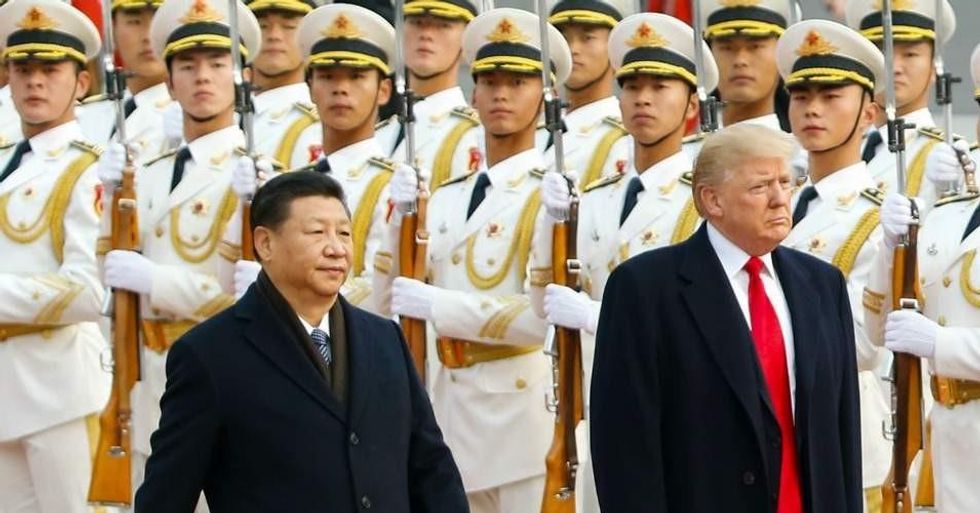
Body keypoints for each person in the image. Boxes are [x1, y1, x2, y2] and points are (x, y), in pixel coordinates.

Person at [135, 171, 469, 513]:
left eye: (343, 233)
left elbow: (432, 469)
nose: (336, 249)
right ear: (265, 243)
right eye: (316, 233)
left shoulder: (384, 340)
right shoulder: (210, 354)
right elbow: (166, 495)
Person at [590, 123, 863, 513]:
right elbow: (625, 447)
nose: (779, 199)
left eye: (785, 183)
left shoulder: (821, 285)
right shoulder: (645, 289)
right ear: (712, 200)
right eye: (759, 187)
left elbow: (842, 435)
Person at [374, 8, 570, 513]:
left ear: (544, 96)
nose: (502, 94)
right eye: (490, 82)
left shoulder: (550, 197)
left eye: (518, 83)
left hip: (515, 424)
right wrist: (396, 222)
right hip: (443, 409)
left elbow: (539, 320)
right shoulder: (446, 195)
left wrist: (440, 306)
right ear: (474, 94)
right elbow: (387, 298)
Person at [530, 12, 717, 513]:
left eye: (661, 87)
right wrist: (550, 224)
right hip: (592, 404)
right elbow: (541, 301)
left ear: (692, 104)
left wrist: (597, 316)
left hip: (674, 410)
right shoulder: (594, 197)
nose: (644, 100)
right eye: (632, 87)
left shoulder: (703, 201)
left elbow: (706, 317)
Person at [95, 0, 260, 501]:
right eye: (187, 67)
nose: (202, 78)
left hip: (223, 376)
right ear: (169, 84)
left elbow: (246, 297)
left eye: (216, 65)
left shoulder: (255, 171)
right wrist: (109, 206)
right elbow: (111, 269)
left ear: (241, 76)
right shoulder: (147, 170)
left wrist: (155, 282)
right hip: (150, 380)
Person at [776, 19, 892, 511]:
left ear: (868, 113)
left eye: (830, 95)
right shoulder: (776, 198)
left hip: (838, 427)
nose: (812, 109)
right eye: (801, 96)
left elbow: (865, 344)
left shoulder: (880, 215)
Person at [0, 1, 109, 511]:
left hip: (57, 386)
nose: (34, 83)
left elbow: (91, 291)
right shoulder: (6, 162)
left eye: (50, 70)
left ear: (81, 84)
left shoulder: (89, 169)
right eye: (23, 70)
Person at [222, 3, 398, 311]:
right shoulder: (288, 182)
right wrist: (242, 207)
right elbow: (228, 280)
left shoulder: (393, 186)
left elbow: (379, 294)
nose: (341, 89)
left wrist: (278, 287)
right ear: (310, 87)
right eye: (328, 77)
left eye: (356, 76)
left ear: (383, 91)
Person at [845, 0, 959, 213]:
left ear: (935, 67)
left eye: (910, 54)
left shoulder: (948, 157)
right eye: (881, 52)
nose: (893, 67)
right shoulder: (841, 146)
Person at [374, 0, 482, 190]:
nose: (426, 35)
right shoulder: (380, 132)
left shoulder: (475, 135)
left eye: (443, 25)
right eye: (416, 23)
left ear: (466, 41)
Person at [683, 0, 794, 161]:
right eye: (727, 48)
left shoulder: (803, 160)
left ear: (782, 54)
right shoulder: (685, 158)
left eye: (755, 46)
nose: (740, 60)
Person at [539, 0, 628, 188]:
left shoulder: (623, 137)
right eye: (563, 38)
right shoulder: (537, 128)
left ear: (614, 48)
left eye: (587, 38)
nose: (572, 49)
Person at [77, 0, 175, 159]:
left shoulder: (187, 118)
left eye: (158, 21)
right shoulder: (87, 117)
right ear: (112, 30)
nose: (148, 36)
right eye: (134, 22)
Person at [246, 0, 323, 169]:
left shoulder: (317, 122)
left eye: (288, 26)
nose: (274, 35)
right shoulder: (230, 113)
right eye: (262, 26)